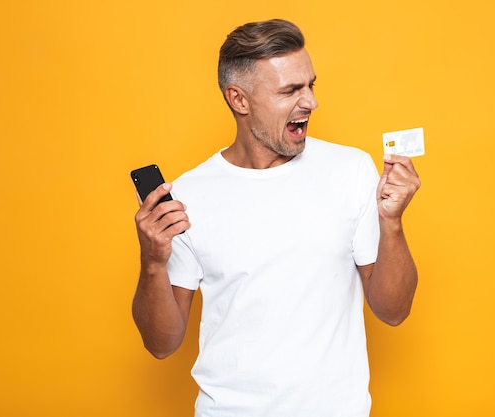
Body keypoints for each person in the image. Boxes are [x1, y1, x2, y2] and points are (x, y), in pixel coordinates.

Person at [132, 18, 421, 417]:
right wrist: (152, 263)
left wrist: (392, 224)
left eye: (310, 85)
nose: (310, 102)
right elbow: (161, 344)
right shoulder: (187, 196)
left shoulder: (350, 170)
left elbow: (394, 311)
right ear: (239, 99)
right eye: (290, 90)